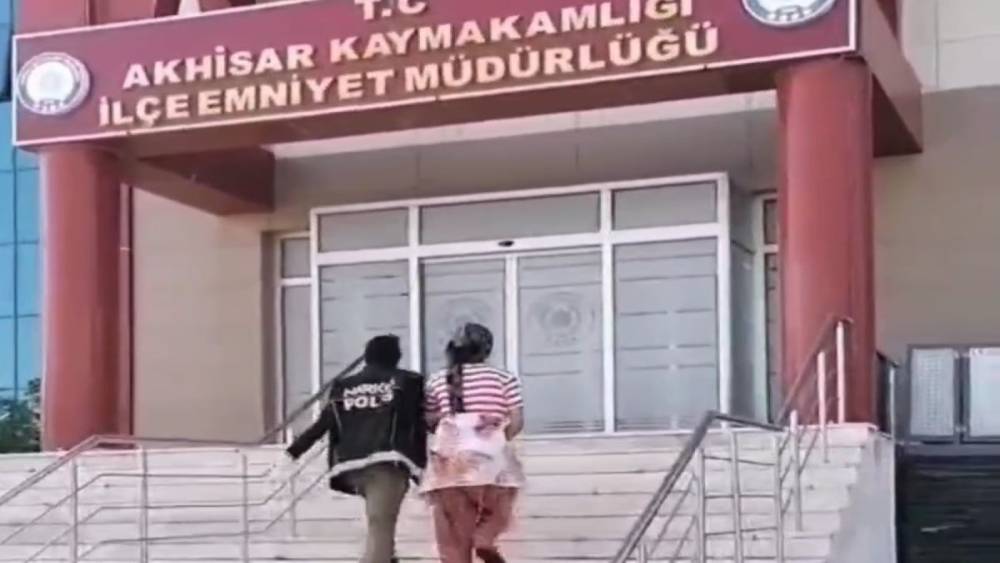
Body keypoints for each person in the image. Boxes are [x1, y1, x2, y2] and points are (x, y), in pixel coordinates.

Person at [283, 334, 425, 563]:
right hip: (387, 462)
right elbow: (421, 420)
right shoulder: (407, 381)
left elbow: (325, 422)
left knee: (378, 522)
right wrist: (423, 466)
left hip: (350, 464)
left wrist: (294, 450)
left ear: (367, 356)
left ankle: (387, 557)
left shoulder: (344, 385)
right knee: (381, 524)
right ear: (395, 356)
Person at [422, 323, 526, 563]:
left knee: (453, 536)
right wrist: (497, 439)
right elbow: (517, 421)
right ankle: (485, 538)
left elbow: (429, 419)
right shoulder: (504, 378)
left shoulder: (436, 380)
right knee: (499, 508)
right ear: (486, 349)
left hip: (449, 463)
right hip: (491, 456)